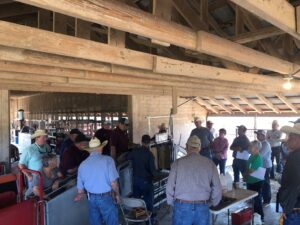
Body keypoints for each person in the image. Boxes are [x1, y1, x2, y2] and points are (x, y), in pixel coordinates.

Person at [166, 135, 222, 225]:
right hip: (202, 206)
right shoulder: (210, 163)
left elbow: (169, 186)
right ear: (199, 148)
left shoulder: (177, 163)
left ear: (187, 147)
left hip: (181, 205)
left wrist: (172, 203)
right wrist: (212, 202)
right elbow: (217, 187)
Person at [75, 137, 120, 225]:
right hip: (106, 197)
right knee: (111, 222)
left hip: (91, 198)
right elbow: (114, 183)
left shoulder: (82, 165)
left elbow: (80, 190)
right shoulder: (108, 160)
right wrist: (117, 195)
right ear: (101, 148)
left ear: (89, 151)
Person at [127, 135, 158, 223]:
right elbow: (153, 171)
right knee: (148, 202)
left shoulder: (135, 151)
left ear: (141, 141)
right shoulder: (149, 154)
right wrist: (157, 175)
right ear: (149, 143)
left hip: (136, 181)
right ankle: (149, 221)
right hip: (146, 182)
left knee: (137, 201)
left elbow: (127, 157)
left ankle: (137, 220)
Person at [278, 122, 300, 225]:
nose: (288, 139)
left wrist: (287, 207)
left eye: (291, 136)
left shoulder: (295, 158)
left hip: (295, 210)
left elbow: (294, 185)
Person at [18, 130, 51, 196]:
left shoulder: (47, 147)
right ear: (37, 138)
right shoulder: (29, 149)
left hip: (46, 174)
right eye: (44, 137)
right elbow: (20, 164)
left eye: (46, 137)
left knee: (48, 190)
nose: (46, 139)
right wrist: (29, 176)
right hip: (35, 176)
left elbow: (50, 156)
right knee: (34, 193)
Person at [244, 140, 264, 223]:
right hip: (250, 181)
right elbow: (248, 167)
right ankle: (254, 215)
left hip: (256, 181)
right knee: (252, 200)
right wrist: (246, 174)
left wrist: (245, 174)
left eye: (251, 146)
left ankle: (260, 216)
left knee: (257, 200)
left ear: (256, 148)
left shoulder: (258, 157)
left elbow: (251, 170)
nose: (249, 148)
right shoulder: (251, 156)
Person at [255, 130, 272, 206]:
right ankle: (260, 198)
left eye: (259, 135)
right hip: (260, 166)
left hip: (265, 166)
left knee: (265, 184)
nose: (257, 136)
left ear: (263, 136)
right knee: (260, 183)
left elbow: (259, 155)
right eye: (257, 134)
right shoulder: (259, 144)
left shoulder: (266, 144)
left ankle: (267, 201)